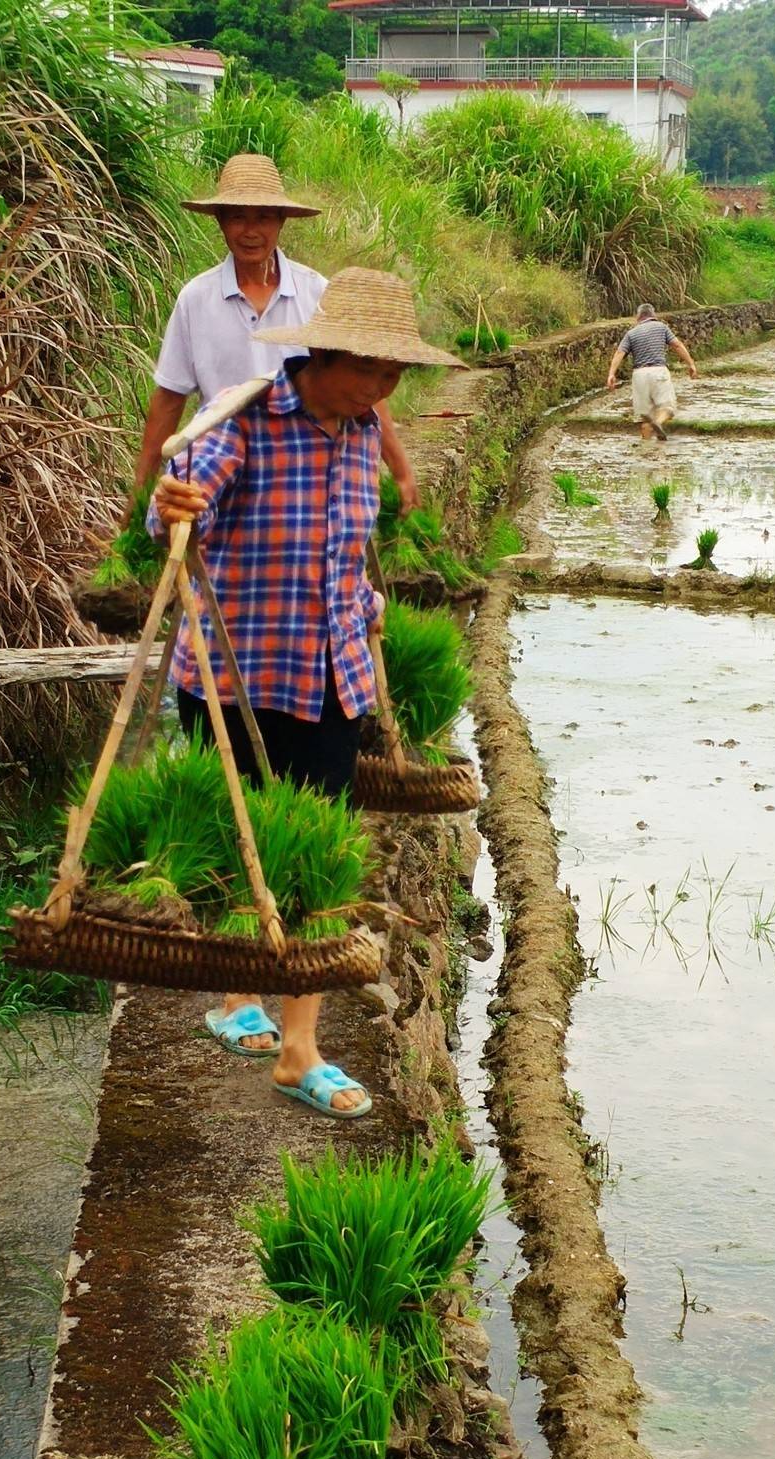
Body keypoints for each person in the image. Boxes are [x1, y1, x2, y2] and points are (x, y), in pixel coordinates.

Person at [151, 268, 463, 1118]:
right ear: (325, 354)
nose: (383, 389)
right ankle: (230, 995)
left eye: (396, 375)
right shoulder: (249, 416)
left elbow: (345, 550)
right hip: (235, 675)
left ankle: (300, 1049)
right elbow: (179, 505)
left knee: (321, 861)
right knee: (239, 848)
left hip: (330, 675)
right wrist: (173, 504)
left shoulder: (361, 433)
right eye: (373, 370)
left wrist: (369, 612)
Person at [124, 153, 419, 522]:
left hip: (305, 476)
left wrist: (401, 468)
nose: (251, 231)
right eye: (237, 217)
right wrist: (141, 498)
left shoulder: (317, 293)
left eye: (263, 216)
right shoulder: (196, 299)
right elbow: (169, 400)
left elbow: (365, 380)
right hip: (218, 479)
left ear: (281, 221)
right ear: (220, 222)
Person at [605, 303, 698, 442]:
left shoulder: (632, 333)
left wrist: (611, 374)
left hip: (639, 375)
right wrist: (691, 364)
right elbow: (677, 345)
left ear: (638, 316)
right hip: (658, 371)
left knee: (646, 417)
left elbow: (620, 352)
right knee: (668, 408)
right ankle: (659, 422)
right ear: (653, 315)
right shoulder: (661, 327)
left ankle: (648, 453)